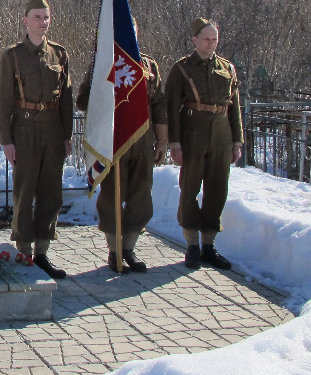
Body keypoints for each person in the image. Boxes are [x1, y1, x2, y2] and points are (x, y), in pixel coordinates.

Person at [75, 25, 168, 273]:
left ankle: (129, 248)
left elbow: (158, 103)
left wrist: (161, 141)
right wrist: (104, 94)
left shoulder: (149, 65)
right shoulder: (102, 63)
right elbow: (82, 100)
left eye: (131, 30)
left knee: (141, 197)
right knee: (111, 197)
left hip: (142, 142)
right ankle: (114, 251)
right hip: (112, 142)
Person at [0, 0, 74, 280]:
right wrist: (7, 140)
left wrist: (67, 135)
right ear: (26, 20)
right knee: (25, 191)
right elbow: (3, 101)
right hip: (25, 129)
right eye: (37, 17)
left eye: (46, 17)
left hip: (52, 130)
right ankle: (24, 250)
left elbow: (66, 100)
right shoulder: (13, 55)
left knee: (51, 193)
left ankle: (42, 252)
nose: (43, 22)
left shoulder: (59, 54)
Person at [166, 18, 243, 270]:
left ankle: (209, 245)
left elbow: (234, 108)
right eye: (206, 39)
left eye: (214, 39)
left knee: (217, 189)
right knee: (190, 188)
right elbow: (171, 109)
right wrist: (175, 143)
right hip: (193, 132)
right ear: (195, 40)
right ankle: (191, 246)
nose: (211, 43)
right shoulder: (182, 70)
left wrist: (237, 141)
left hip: (221, 134)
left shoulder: (227, 69)